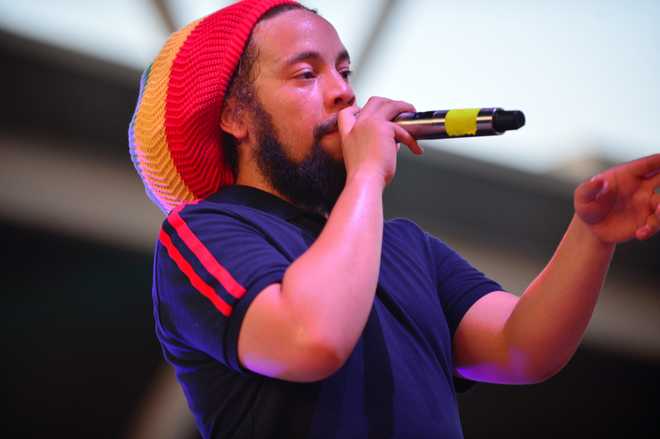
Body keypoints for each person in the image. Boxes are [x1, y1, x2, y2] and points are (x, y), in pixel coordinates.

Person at [128, 1, 660, 437]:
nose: (343, 92)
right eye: (307, 73)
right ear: (235, 116)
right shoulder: (205, 230)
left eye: (344, 70)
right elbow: (310, 338)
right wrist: (366, 178)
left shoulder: (404, 246)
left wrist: (592, 235)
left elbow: (522, 349)